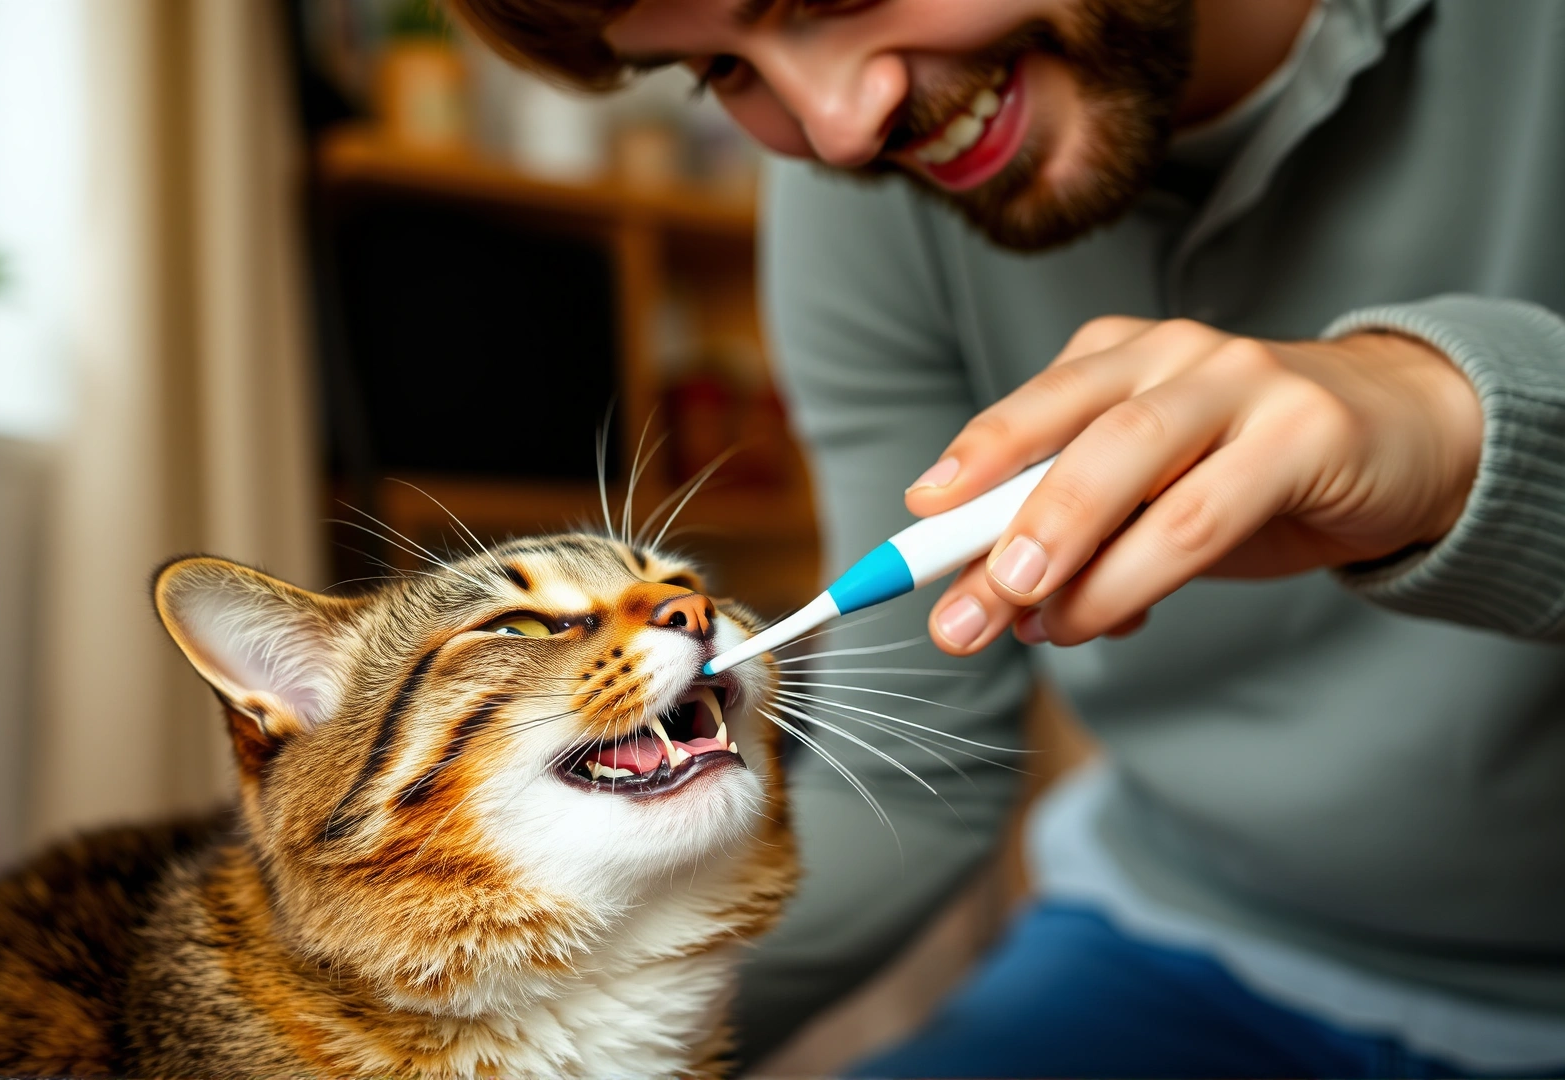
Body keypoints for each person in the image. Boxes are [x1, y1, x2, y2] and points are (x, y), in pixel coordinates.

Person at [447, 0, 1565, 1075]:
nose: (838, 127)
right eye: (720, 68)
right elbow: (927, 758)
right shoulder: (868, 191)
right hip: (1189, 941)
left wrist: (1461, 434)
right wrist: (531, 1041)